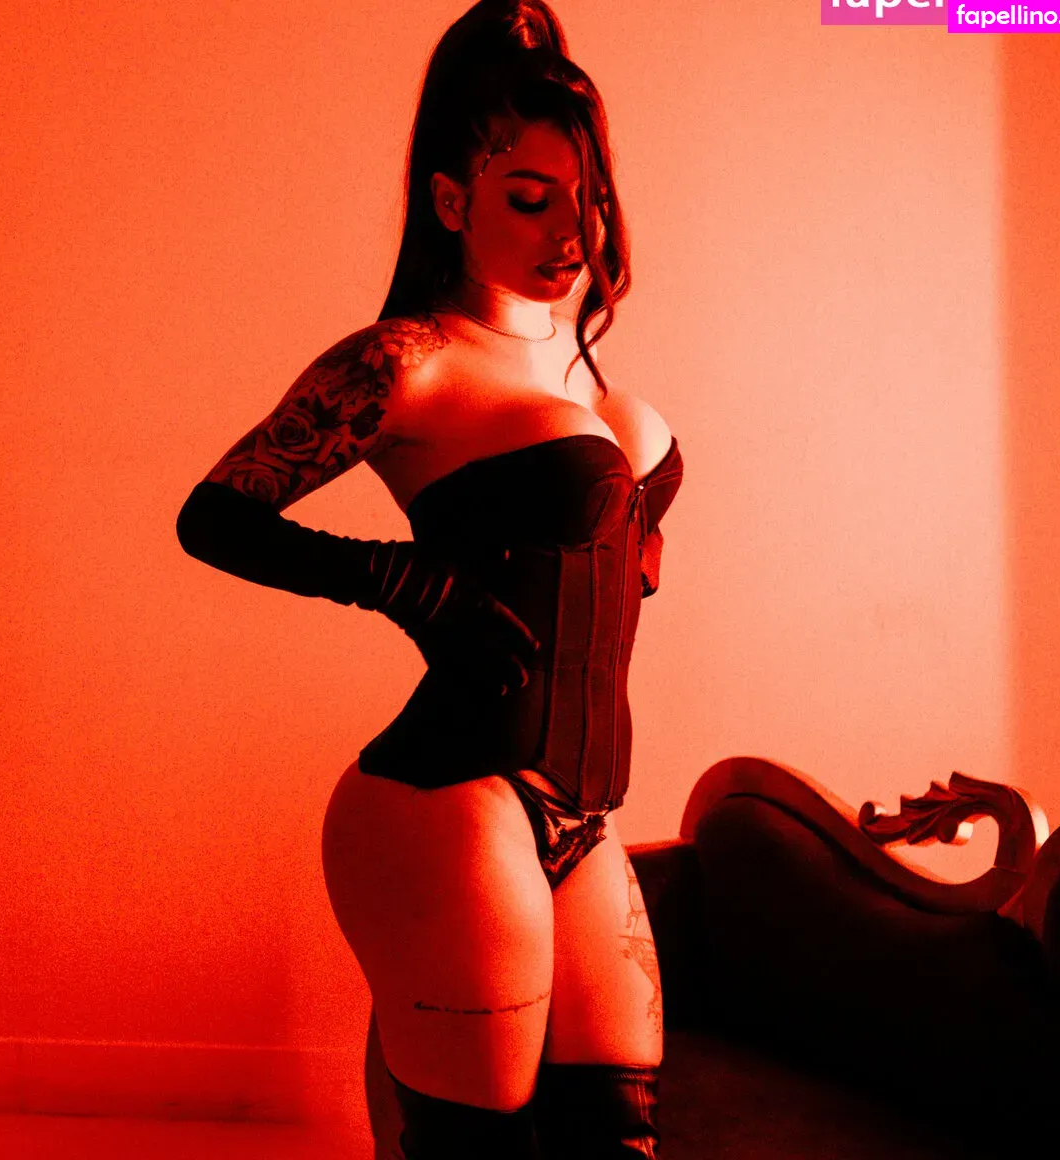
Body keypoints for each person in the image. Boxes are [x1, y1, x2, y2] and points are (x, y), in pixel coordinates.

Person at [174, 3, 684, 1157]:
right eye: (530, 197)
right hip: (452, 801)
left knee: (619, 1137)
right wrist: (409, 583)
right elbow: (214, 517)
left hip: (585, 816)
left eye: (589, 199)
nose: (572, 232)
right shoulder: (405, 362)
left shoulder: (583, 368)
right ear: (452, 201)